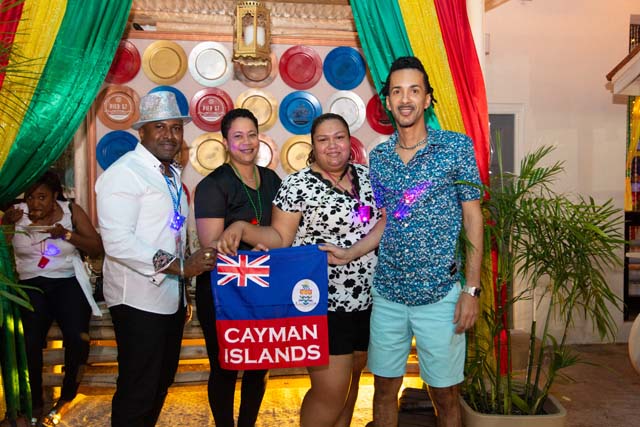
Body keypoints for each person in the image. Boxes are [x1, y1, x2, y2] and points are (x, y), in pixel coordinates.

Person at [327, 56, 483, 427]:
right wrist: (349, 252)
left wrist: (471, 290)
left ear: (427, 99)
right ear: (388, 101)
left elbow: (473, 217)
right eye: (397, 91)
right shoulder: (380, 158)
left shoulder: (456, 148)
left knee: (445, 396)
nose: (405, 99)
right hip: (389, 295)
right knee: (383, 391)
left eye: (414, 90)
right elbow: (386, 219)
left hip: (440, 294)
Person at [216, 113, 383, 427]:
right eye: (323, 139)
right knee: (330, 392)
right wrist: (242, 228)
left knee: (351, 386)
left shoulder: (370, 177)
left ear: (350, 141)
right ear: (313, 146)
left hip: (370, 300)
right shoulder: (297, 184)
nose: (332, 146)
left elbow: (385, 220)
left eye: (339, 137)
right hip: (322, 302)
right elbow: (280, 238)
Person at [95, 91, 217, 427]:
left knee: (160, 382)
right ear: (142, 131)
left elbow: (170, 234)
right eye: (159, 127)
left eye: (176, 128)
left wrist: (181, 290)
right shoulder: (124, 173)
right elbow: (118, 241)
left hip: (169, 298)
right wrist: (181, 267)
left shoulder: (170, 174)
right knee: (139, 389)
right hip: (137, 299)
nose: (170, 135)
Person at [193, 108, 282, 427]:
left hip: (262, 288)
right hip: (222, 292)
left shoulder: (272, 180)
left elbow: (283, 233)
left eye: (252, 135)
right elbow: (211, 248)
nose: (247, 142)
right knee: (225, 367)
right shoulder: (213, 185)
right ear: (225, 142)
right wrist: (248, 253)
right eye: (238, 136)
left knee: (259, 366)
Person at [2, 170, 103, 427]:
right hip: (30, 283)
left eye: (42, 197)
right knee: (29, 341)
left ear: (55, 195)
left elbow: (96, 247)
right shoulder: (16, 213)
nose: (34, 203)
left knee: (78, 337)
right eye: (30, 197)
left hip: (66, 280)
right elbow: (3, 250)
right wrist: (6, 226)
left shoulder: (70, 211)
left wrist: (67, 235)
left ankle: (67, 396)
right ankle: (33, 402)